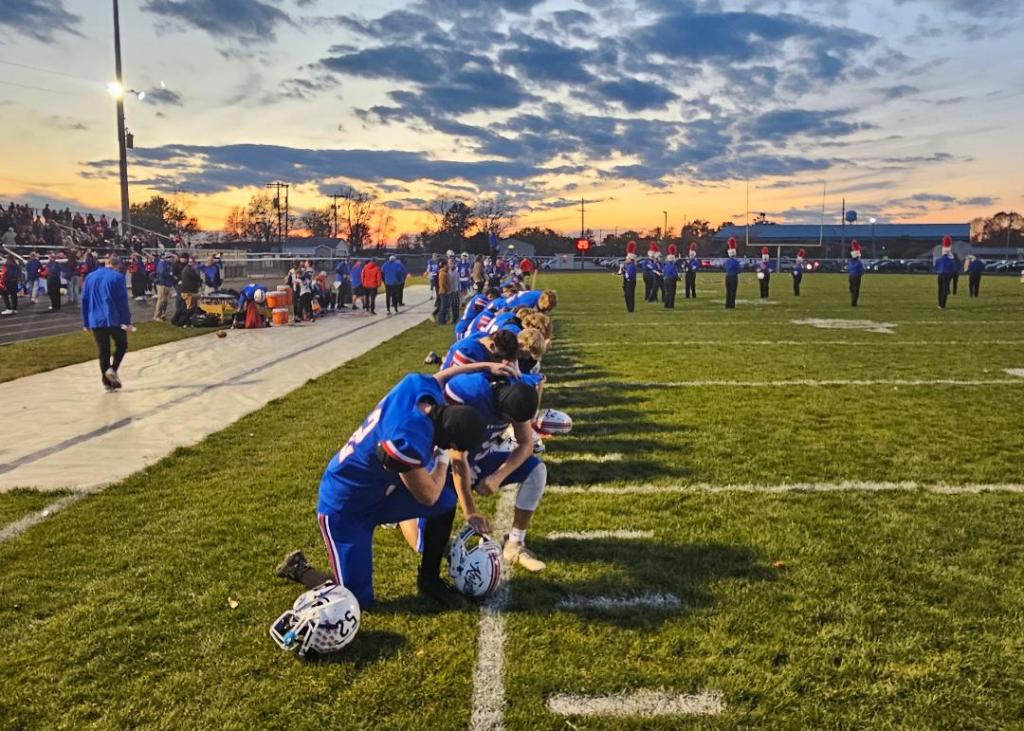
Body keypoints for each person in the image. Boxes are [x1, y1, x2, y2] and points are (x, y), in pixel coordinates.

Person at [274, 361, 513, 609]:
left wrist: (485, 366)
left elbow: (441, 375)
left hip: (380, 494)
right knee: (356, 601)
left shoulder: (417, 389)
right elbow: (428, 496)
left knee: (446, 501)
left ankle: (429, 579)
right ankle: (299, 569)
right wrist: (443, 456)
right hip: (345, 505)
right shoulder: (407, 440)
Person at [81, 255, 132, 392]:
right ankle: (112, 370)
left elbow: (84, 300)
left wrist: (86, 321)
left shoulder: (90, 277)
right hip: (112, 317)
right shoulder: (117, 277)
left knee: (103, 350)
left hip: (95, 319)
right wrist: (127, 321)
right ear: (117, 266)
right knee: (122, 344)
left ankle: (107, 381)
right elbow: (122, 302)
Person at [442, 329, 520, 369]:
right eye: (499, 357)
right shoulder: (469, 352)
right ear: (492, 345)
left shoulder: (483, 336)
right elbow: (457, 382)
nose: (503, 362)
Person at [153, 252, 177, 322]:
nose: (173, 260)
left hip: (168, 284)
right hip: (162, 284)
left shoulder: (170, 264)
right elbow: (161, 273)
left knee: (165, 301)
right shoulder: (162, 263)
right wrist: (170, 274)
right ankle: (156, 316)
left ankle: (163, 314)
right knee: (161, 300)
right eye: (172, 258)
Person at [935, 235, 955, 309]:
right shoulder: (951, 259)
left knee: (940, 290)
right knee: (944, 290)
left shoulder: (939, 259)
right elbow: (953, 267)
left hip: (940, 274)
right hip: (946, 275)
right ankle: (943, 305)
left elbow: (936, 266)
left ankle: (940, 304)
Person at [723, 237, 740, 309]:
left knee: (728, 291)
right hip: (734, 277)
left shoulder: (726, 261)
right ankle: (732, 305)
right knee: (733, 291)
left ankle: (727, 304)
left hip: (727, 277)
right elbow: (739, 271)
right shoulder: (736, 262)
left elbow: (725, 268)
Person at [621, 241, 637, 312]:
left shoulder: (632, 266)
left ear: (630, 259)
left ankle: (630, 309)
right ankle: (629, 308)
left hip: (630, 281)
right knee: (627, 295)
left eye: (627, 258)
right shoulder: (627, 265)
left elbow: (629, 275)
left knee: (630, 295)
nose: (626, 259)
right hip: (627, 281)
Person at [848, 240, 864, 307]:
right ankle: (854, 303)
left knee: (853, 289)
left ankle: (853, 300)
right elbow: (861, 270)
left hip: (851, 276)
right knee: (856, 290)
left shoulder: (851, 262)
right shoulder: (858, 263)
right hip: (856, 277)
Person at [662, 244, 679, 308]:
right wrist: (678, 278)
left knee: (667, 292)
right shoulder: (674, 266)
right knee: (672, 293)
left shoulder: (665, 265)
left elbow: (664, 272)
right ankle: (671, 305)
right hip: (671, 280)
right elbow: (675, 274)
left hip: (665, 279)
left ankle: (666, 304)